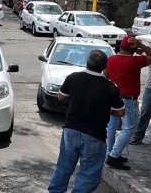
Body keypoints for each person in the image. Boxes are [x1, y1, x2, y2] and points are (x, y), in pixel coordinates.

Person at [47, 50, 125, 193]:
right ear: (104, 66)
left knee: (63, 167)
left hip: (71, 130)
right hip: (94, 135)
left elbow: (61, 97)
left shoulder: (73, 78)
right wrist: (106, 108)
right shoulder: (110, 87)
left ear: (87, 63)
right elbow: (120, 111)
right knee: (89, 173)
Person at [104, 36, 151, 170]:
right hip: (128, 99)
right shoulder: (136, 60)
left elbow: (105, 77)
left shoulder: (109, 59)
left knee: (111, 126)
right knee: (129, 129)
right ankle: (114, 156)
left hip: (113, 97)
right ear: (133, 50)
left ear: (121, 47)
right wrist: (140, 44)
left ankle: (111, 152)